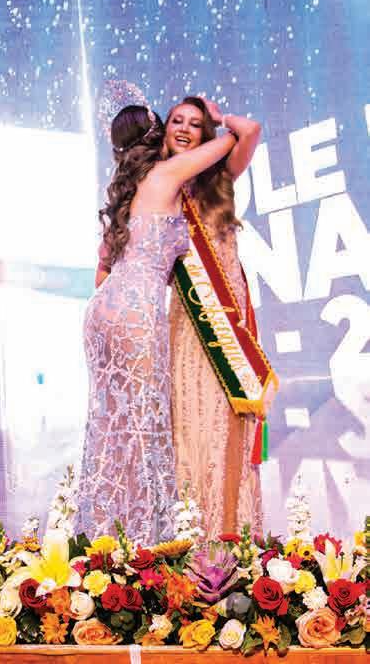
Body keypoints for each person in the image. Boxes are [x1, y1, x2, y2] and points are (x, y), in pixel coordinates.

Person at [75, 102, 237, 544]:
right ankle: (148, 543)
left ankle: (102, 540)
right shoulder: (168, 174)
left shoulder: (126, 189)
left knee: (110, 429)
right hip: (137, 312)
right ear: (156, 133)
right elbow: (227, 143)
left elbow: (102, 272)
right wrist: (215, 118)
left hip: (103, 309)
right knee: (145, 427)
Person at [165, 96, 270, 539]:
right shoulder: (160, 185)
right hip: (188, 320)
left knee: (227, 422)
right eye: (177, 120)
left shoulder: (219, 178)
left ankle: (231, 535)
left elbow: (251, 129)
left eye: (195, 123)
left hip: (227, 317)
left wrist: (219, 117)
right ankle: (190, 537)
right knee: (190, 424)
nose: (185, 128)